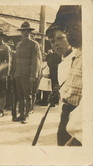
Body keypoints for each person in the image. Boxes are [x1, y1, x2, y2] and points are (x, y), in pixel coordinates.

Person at [48, 5, 82, 146]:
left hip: (78, 117)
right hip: (67, 113)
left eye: (59, 38)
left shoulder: (80, 56)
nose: (56, 44)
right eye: (52, 42)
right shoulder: (64, 61)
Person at [13, 22, 42, 123]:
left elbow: (36, 60)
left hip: (27, 73)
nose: (24, 33)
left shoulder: (34, 44)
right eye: (22, 31)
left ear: (29, 32)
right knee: (20, 95)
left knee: (28, 95)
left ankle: (26, 115)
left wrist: (33, 75)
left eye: (26, 31)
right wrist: (15, 72)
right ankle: (21, 114)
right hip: (18, 73)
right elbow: (16, 59)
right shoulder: (19, 44)